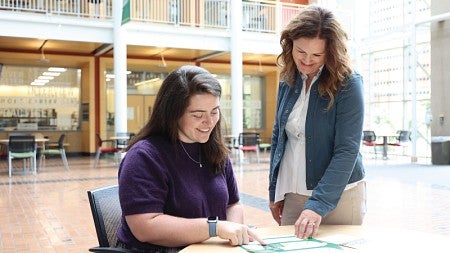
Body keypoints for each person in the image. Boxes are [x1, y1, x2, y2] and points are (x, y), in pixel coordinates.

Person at [117, 65, 265, 252]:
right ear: (173, 114)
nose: (209, 122)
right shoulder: (144, 156)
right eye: (197, 115)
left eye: (214, 111)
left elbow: (233, 204)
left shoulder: (214, 149)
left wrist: (235, 236)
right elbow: (145, 227)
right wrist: (215, 228)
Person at [268, 5, 367, 240]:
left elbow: (347, 150)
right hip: (294, 193)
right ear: (289, 43)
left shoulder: (349, 84)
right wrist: (274, 190)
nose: (306, 60)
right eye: (300, 51)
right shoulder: (287, 81)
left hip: (341, 195)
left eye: (317, 55)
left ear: (330, 52)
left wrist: (318, 204)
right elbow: (278, 135)